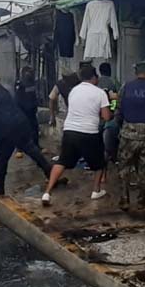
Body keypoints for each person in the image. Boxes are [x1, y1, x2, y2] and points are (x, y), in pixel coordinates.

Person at [43, 64, 111, 206]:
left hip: (70, 131)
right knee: (100, 162)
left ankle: (47, 192)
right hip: (89, 132)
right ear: (94, 77)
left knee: (62, 161)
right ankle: (96, 190)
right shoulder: (100, 93)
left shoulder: (74, 90)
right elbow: (106, 116)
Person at [115, 60, 145, 211]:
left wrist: (119, 125)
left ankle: (124, 198)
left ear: (136, 72)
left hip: (128, 134)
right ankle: (142, 199)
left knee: (124, 166)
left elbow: (118, 108)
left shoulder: (126, 87)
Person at [15, 65, 40, 146]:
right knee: (22, 128)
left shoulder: (33, 83)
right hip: (23, 110)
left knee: (34, 128)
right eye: (27, 72)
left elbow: (33, 96)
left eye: (30, 72)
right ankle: (21, 147)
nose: (28, 74)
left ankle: (35, 145)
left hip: (31, 110)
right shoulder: (20, 84)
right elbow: (18, 98)